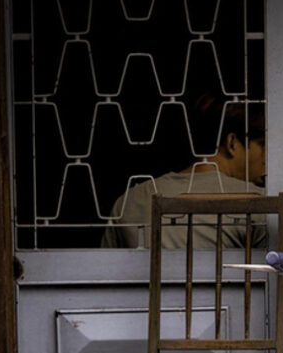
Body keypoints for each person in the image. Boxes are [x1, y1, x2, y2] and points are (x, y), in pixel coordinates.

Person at [102, 97, 268, 249]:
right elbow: (275, 275)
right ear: (232, 143)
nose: (266, 158)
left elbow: (106, 274)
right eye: (261, 145)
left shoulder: (129, 201)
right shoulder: (256, 201)